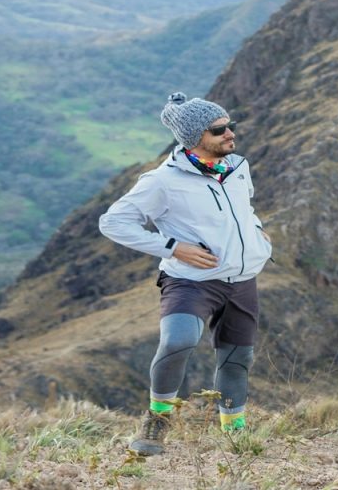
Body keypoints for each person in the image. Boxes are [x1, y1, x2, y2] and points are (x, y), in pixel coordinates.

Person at [99, 92, 272, 456]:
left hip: (242, 280)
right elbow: (114, 222)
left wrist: (258, 236)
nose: (230, 134)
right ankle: (157, 421)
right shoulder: (163, 180)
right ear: (195, 138)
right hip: (190, 282)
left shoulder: (238, 167)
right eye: (219, 129)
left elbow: (245, 209)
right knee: (178, 341)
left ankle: (235, 434)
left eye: (231, 126)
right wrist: (172, 247)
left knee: (237, 359)